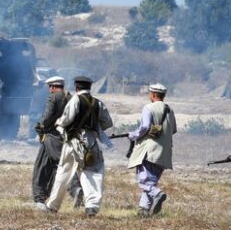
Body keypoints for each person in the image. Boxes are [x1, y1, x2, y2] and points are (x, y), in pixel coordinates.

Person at [40, 76, 113, 217]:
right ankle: (92, 205)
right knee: (92, 172)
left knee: (64, 172)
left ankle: (53, 206)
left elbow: (67, 119)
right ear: (89, 87)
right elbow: (106, 123)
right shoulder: (98, 103)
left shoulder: (75, 100)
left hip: (73, 141)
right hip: (91, 141)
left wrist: (58, 123)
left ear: (76, 87)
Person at [32, 76, 83, 208]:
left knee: (43, 167)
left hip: (51, 137)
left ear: (53, 87)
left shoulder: (53, 97)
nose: (49, 89)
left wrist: (40, 127)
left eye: (50, 87)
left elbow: (47, 117)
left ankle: (40, 198)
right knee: (59, 165)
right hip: (66, 136)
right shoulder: (71, 98)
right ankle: (44, 196)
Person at [127, 83, 177, 217]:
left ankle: (158, 194)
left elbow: (144, 127)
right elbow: (174, 130)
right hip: (164, 153)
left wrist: (133, 135)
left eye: (150, 93)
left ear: (154, 94)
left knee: (145, 181)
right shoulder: (169, 110)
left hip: (148, 151)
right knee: (151, 181)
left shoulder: (148, 108)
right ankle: (143, 210)